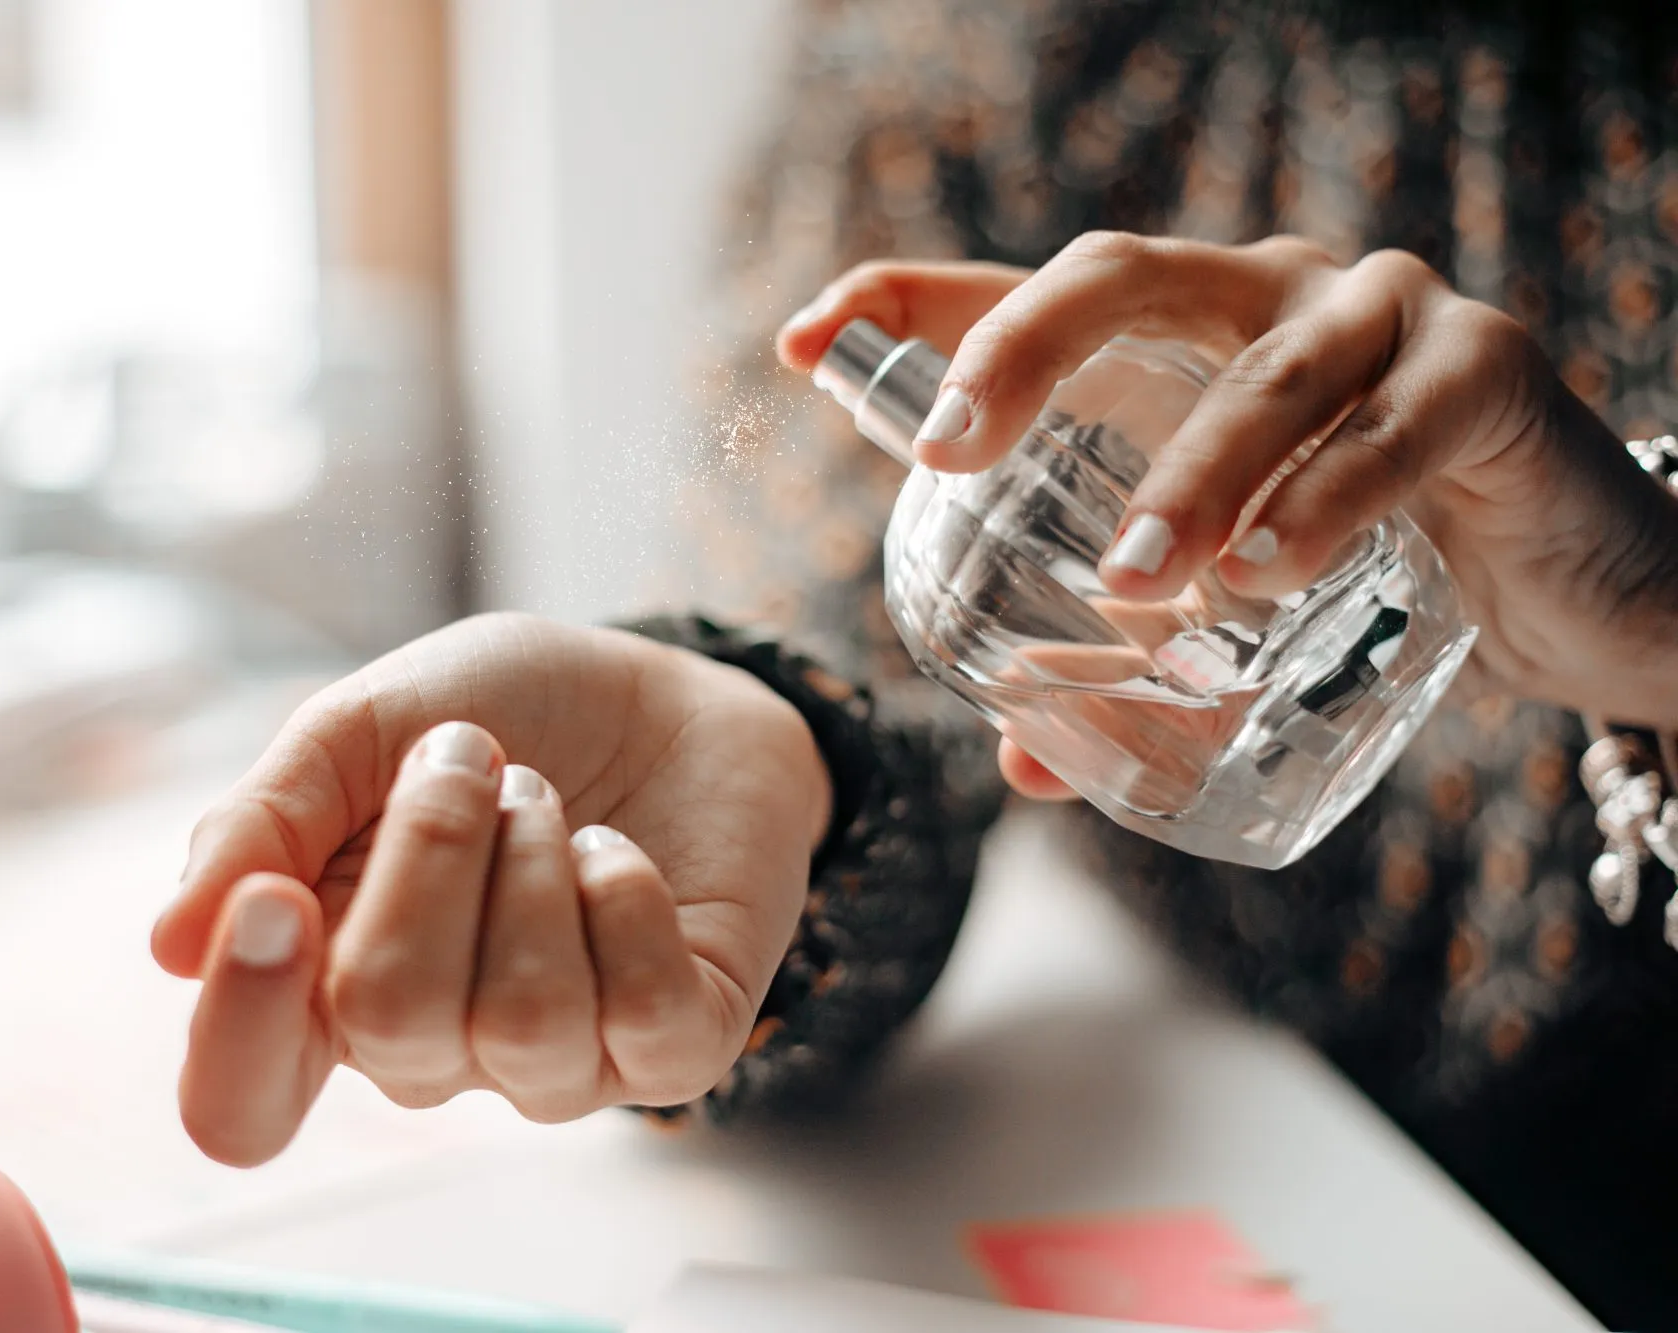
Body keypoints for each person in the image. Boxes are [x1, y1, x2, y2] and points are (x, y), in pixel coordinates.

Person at [154, 2, 1678, 1324]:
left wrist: (1661, 635)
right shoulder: (961, 42)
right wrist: (781, 764)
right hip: (1267, 1185)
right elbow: (876, 689)